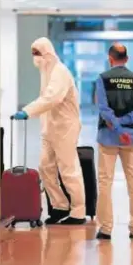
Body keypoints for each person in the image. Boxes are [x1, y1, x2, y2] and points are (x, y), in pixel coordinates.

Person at [12, 37, 86, 225]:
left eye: (37, 53)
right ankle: (59, 206)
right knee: (46, 168)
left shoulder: (59, 72)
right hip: (50, 128)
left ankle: (78, 211)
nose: (35, 58)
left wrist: (27, 111)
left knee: (68, 170)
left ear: (47, 53)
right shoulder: (46, 71)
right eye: (33, 54)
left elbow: (51, 99)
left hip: (65, 128)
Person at [95, 43, 133, 240]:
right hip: (132, 139)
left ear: (110, 58)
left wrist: (117, 126)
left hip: (108, 138)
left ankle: (106, 228)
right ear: (126, 59)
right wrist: (125, 127)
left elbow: (103, 108)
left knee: (105, 183)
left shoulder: (102, 79)